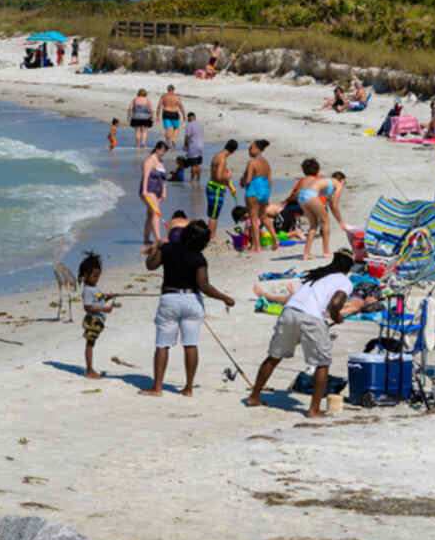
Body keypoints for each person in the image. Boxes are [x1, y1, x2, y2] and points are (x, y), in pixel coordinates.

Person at [245, 252, 354, 418]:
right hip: (310, 317)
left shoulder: (318, 276)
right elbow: (336, 304)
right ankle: (314, 409)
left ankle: (254, 396)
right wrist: (337, 317)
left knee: (274, 356)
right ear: (348, 268)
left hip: (288, 312)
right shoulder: (345, 281)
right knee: (322, 362)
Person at [140, 220, 235, 397]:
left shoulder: (168, 249)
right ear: (203, 242)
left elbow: (150, 265)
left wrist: (156, 247)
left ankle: (157, 387)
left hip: (170, 299)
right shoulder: (199, 258)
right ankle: (188, 388)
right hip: (192, 300)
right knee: (190, 345)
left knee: (163, 345)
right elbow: (204, 285)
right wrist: (225, 298)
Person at [287, 158, 335, 260]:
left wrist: (286, 201)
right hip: (313, 200)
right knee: (325, 221)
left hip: (302, 200)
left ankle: (306, 253)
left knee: (313, 225)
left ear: (304, 170)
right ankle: (326, 252)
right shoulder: (318, 179)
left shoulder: (302, 180)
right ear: (317, 169)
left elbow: (296, 194)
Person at [79, 251, 114, 379]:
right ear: (85, 275)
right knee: (90, 344)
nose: (96, 279)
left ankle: (90, 369)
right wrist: (104, 309)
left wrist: (108, 297)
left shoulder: (94, 288)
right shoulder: (87, 290)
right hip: (92, 320)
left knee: (91, 344)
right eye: (94, 276)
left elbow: (99, 298)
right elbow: (87, 307)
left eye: (98, 276)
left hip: (97, 320)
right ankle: (89, 371)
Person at [240, 140, 275, 254]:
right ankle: (275, 239)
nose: (249, 150)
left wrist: (243, 181)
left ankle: (257, 247)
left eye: (251, 148)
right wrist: (268, 194)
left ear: (258, 149)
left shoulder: (252, 162)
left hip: (254, 190)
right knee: (264, 217)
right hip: (265, 190)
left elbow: (248, 180)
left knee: (253, 219)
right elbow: (270, 180)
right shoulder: (266, 162)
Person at [206, 140, 239, 241]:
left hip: (211, 186)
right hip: (216, 188)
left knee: (212, 213)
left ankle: (210, 235)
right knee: (214, 215)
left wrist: (230, 187)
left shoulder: (217, 155)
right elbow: (219, 176)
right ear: (233, 151)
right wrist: (228, 176)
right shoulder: (223, 159)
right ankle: (212, 237)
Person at [141, 141, 169, 246]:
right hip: (148, 189)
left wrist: (164, 193)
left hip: (158, 191)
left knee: (150, 214)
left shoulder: (161, 162)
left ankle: (146, 238)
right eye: (162, 151)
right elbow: (146, 176)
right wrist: (144, 191)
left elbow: (163, 180)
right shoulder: (149, 161)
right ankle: (158, 238)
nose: (163, 153)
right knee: (156, 212)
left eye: (164, 151)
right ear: (157, 149)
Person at [156, 84, 186, 149]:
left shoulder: (163, 96)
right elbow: (181, 107)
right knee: (176, 128)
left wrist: (157, 116)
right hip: (174, 113)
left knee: (168, 129)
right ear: (173, 89)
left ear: (167, 89)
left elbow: (159, 106)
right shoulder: (177, 97)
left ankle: (168, 144)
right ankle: (173, 139)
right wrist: (184, 115)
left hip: (166, 113)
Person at [182, 112, 205, 185]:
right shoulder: (200, 125)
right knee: (198, 164)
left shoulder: (189, 125)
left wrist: (185, 145)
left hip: (193, 146)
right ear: (195, 117)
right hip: (201, 146)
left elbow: (187, 136)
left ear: (189, 118)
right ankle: (198, 179)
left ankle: (191, 180)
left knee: (193, 164)